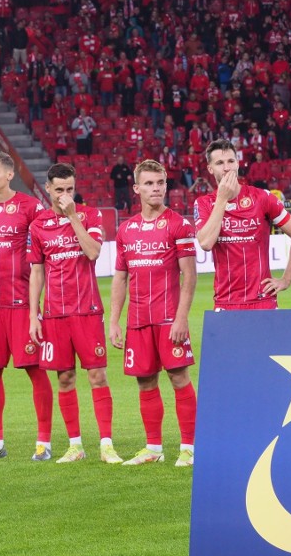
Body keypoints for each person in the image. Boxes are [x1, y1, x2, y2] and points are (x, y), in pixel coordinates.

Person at [28, 163, 122, 464]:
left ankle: (106, 444)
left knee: (97, 375)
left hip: (87, 310)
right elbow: (37, 272)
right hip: (55, 314)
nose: (65, 195)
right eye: (59, 190)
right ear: (48, 189)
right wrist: (34, 315)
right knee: (65, 379)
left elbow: (93, 252)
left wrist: (72, 218)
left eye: (70, 189)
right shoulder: (38, 224)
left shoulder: (89, 215)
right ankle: (75, 445)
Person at [109, 160, 198, 467]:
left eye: (160, 182)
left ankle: (188, 448)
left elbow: (190, 276)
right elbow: (120, 278)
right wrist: (114, 321)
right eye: (148, 183)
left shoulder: (179, 224)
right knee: (145, 382)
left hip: (168, 318)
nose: (156, 188)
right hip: (138, 320)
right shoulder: (126, 229)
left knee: (178, 377)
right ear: (136, 189)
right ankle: (153, 449)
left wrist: (181, 318)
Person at [0, 152, 54, 461]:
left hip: (22, 305)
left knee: (35, 369)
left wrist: (36, 307)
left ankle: (44, 442)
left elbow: (43, 254)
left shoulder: (31, 208)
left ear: (8, 175)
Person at [194, 140, 291, 310]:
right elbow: (206, 243)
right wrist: (222, 198)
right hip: (226, 302)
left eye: (230, 161)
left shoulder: (262, 197)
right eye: (220, 163)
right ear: (210, 169)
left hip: (263, 300)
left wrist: (287, 279)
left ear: (237, 163)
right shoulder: (204, 203)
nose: (227, 167)